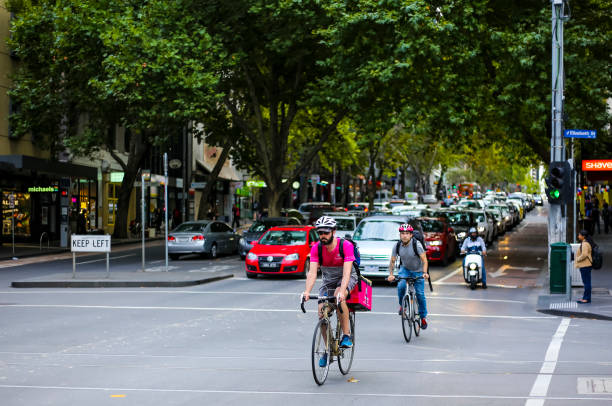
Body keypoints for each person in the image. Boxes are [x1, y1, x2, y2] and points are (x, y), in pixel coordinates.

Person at [302, 216, 357, 367]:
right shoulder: (316, 248)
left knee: (339, 297)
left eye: (326, 232)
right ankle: (328, 350)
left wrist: (342, 291)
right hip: (328, 281)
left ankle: (346, 335)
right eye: (320, 233)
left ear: (334, 231)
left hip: (346, 277)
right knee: (321, 312)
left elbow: (346, 274)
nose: (323, 236)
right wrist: (307, 291)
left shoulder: (345, 246)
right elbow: (312, 273)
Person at [386, 224, 430, 329]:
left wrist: (424, 273)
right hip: (405, 269)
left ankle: (423, 317)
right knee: (401, 286)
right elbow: (392, 261)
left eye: (407, 234)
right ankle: (403, 306)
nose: (404, 236)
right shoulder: (397, 246)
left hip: (418, 271)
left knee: (420, 294)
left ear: (411, 235)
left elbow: (424, 260)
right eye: (402, 233)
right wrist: (391, 274)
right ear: (400, 235)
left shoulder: (417, 245)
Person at [576, 229, 594, 304]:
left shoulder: (585, 244)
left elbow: (584, 254)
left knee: (586, 283)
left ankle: (586, 299)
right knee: (587, 282)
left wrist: (577, 259)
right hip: (586, 265)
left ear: (583, 236)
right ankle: (586, 298)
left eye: (579, 235)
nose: (578, 236)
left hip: (585, 265)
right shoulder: (585, 243)